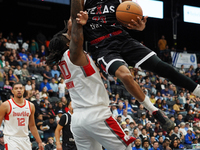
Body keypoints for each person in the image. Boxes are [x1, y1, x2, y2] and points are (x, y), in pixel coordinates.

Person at [81, 0, 200, 131]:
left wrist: (140, 26)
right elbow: (72, 27)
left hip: (123, 39)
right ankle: (155, 111)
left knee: (162, 67)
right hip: (102, 46)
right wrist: (78, 24)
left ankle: (198, 91)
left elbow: (136, 23)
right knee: (125, 75)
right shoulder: (83, 1)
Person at [46, 1, 136, 149]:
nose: (71, 21)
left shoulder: (63, 60)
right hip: (96, 115)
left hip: (78, 119)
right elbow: (76, 33)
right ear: (69, 44)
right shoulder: (72, 54)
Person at [0, 82, 43, 150]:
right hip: (11, 138)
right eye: (16, 88)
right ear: (12, 91)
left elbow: (32, 125)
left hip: (25, 138)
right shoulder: (6, 105)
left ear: (24, 90)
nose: (19, 90)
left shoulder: (30, 106)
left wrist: (39, 141)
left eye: (21, 88)